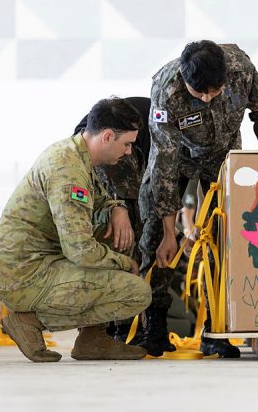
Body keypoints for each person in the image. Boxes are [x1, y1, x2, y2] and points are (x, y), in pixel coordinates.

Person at [138, 40, 258, 357]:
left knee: (223, 240)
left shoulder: (241, 69)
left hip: (223, 160)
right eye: (199, 92)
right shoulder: (167, 87)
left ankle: (216, 330)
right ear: (185, 79)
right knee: (154, 241)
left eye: (213, 92)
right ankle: (155, 329)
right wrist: (168, 232)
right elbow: (163, 162)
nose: (206, 98)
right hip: (178, 160)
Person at [0, 97, 152, 362]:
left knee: (116, 232)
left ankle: (92, 340)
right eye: (127, 144)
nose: (130, 152)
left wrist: (117, 207)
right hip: (23, 275)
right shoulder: (68, 171)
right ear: (108, 136)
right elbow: (80, 250)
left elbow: (98, 203)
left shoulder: (77, 155)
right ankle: (30, 321)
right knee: (137, 293)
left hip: (41, 260)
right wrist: (123, 263)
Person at [75, 97, 151, 340]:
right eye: (126, 146)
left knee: (134, 241)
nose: (128, 149)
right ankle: (106, 331)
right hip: (112, 151)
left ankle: (122, 328)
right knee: (121, 238)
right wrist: (118, 207)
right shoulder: (114, 147)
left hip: (121, 144)